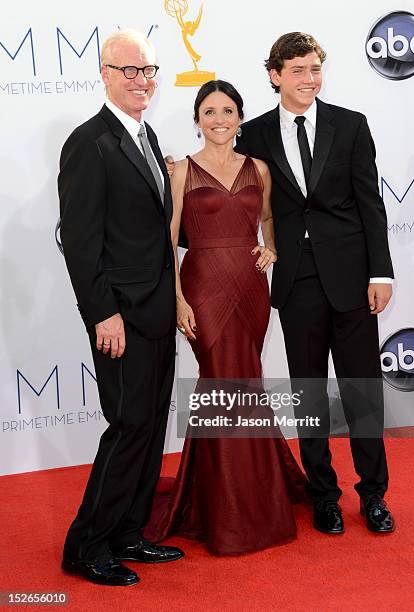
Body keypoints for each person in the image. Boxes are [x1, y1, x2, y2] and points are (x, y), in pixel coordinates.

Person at [235, 32, 395, 534]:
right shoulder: (255, 134)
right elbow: (229, 178)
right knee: (308, 393)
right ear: (275, 75)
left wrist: (381, 271)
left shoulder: (350, 126)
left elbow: (371, 202)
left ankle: (373, 495)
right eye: (298, 70)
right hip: (297, 280)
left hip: (352, 279)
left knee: (361, 391)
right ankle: (323, 493)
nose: (309, 79)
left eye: (315, 69)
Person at [145, 80, 307, 556]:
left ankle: (247, 497)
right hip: (203, 287)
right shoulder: (181, 171)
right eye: (210, 112)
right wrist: (177, 298)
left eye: (229, 111)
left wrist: (270, 247)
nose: (220, 120)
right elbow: (167, 239)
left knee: (246, 381)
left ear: (240, 118)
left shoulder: (258, 168)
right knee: (221, 378)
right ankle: (228, 506)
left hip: (250, 287)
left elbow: (271, 218)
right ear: (197, 119)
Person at [58, 28, 183, 587]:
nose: (142, 81)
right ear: (104, 74)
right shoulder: (90, 142)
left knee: (152, 425)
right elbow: (81, 243)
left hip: (156, 310)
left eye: (149, 71)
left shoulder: (147, 136)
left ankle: (129, 531)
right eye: (129, 71)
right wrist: (101, 313)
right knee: (128, 425)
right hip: (121, 317)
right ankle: (87, 544)